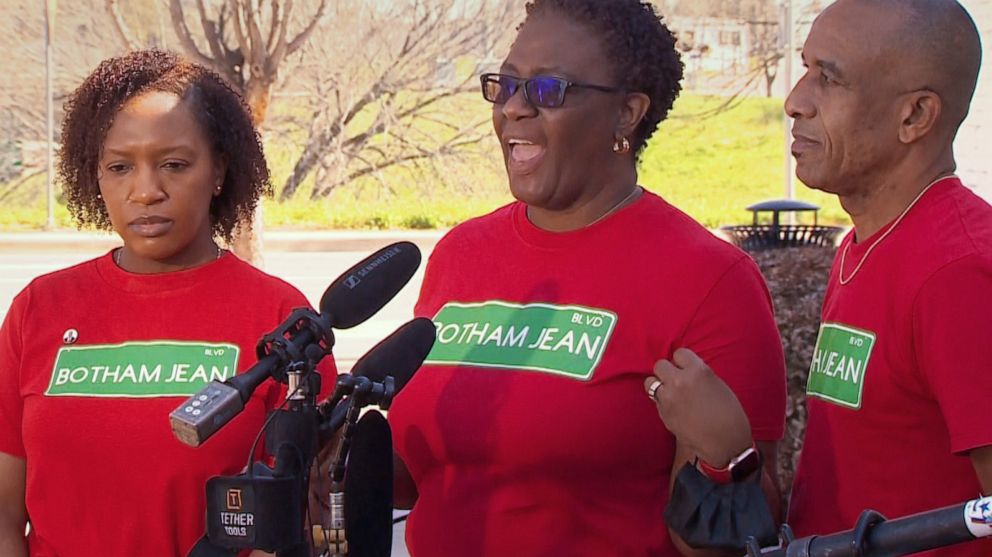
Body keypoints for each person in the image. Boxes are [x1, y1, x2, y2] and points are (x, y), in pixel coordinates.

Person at [387, 1, 787, 555]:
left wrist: (723, 460)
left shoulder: (711, 281)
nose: (514, 109)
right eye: (505, 84)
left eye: (548, 89)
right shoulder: (461, 254)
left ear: (627, 113)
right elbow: (427, 471)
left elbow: (728, 539)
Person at [0, 50, 336, 557]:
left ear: (219, 169)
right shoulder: (38, 310)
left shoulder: (281, 318)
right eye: (119, 167)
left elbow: (312, 518)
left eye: (174, 165)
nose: (146, 191)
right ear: (95, 174)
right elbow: (5, 519)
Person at [784, 1, 992, 555]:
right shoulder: (868, 239)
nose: (794, 102)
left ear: (915, 116)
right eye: (805, 69)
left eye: (828, 79)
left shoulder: (959, 273)